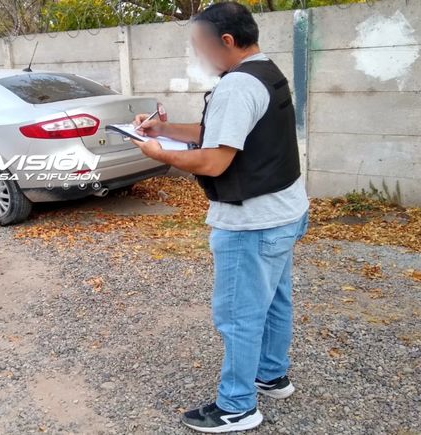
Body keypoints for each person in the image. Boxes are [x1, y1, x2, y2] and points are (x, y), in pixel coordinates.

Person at [130, 2, 310, 433]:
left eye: (199, 46)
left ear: (226, 41)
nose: (198, 55)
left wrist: (160, 155)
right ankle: (271, 374)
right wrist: (165, 131)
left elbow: (214, 162)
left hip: (252, 222)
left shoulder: (236, 87)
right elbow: (224, 130)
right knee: (274, 301)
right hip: (286, 212)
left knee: (239, 314)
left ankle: (237, 406)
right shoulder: (266, 71)